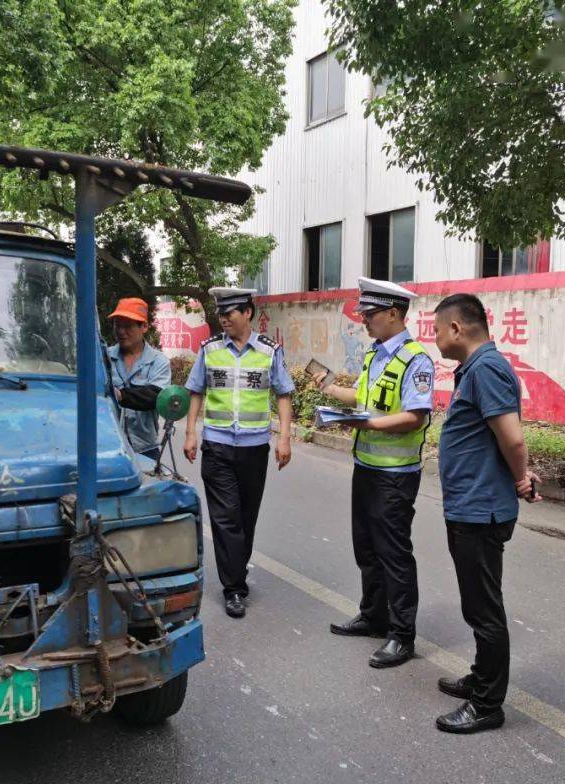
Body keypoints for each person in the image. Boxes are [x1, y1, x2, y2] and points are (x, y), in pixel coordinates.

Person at [431, 292, 541, 734]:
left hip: (481, 510)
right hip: (469, 505)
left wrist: (520, 478)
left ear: (457, 329)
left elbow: (512, 439)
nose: (435, 337)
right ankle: (481, 675)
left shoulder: (489, 369)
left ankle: (487, 705)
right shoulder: (478, 369)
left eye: (437, 329)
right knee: (476, 603)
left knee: (484, 608)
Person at [314, 278, 434, 669]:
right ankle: (373, 616)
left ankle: (402, 635)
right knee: (366, 548)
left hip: (396, 475)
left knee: (394, 554)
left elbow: (416, 416)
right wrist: (331, 390)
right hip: (366, 468)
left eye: (370, 314)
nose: (363, 320)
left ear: (394, 314)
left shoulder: (416, 360)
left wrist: (366, 426)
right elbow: (364, 400)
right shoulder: (375, 354)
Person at [183, 287, 294, 619]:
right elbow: (196, 390)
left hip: (254, 448)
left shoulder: (269, 352)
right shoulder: (210, 349)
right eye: (221, 314)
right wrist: (190, 433)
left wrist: (284, 437)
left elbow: (284, 393)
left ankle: (236, 570)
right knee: (226, 519)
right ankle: (234, 588)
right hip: (216, 446)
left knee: (245, 518)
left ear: (247, 313)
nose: (224, 319)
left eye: (230, 313)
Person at [105, 297, 172, 462]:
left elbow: (155, 395)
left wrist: (121, 395)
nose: (121, 331)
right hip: (108, 447)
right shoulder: (103, 357)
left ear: (144, 326)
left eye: (127, 326)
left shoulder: (158, 361)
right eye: (117, 325)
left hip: (145, 449)